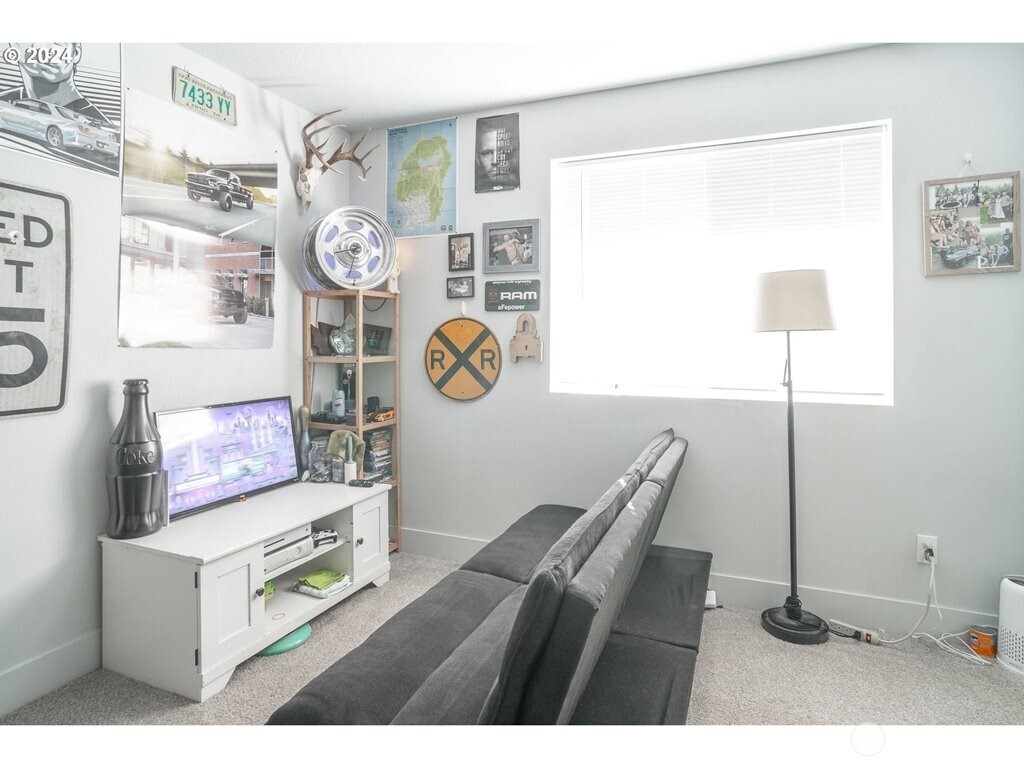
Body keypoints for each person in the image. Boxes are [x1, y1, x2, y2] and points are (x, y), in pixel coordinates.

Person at [1, 42, 113, 125]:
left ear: (76, 52)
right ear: (13, 44)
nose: (47, 50)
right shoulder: (5, 102)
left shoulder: (96, 123)